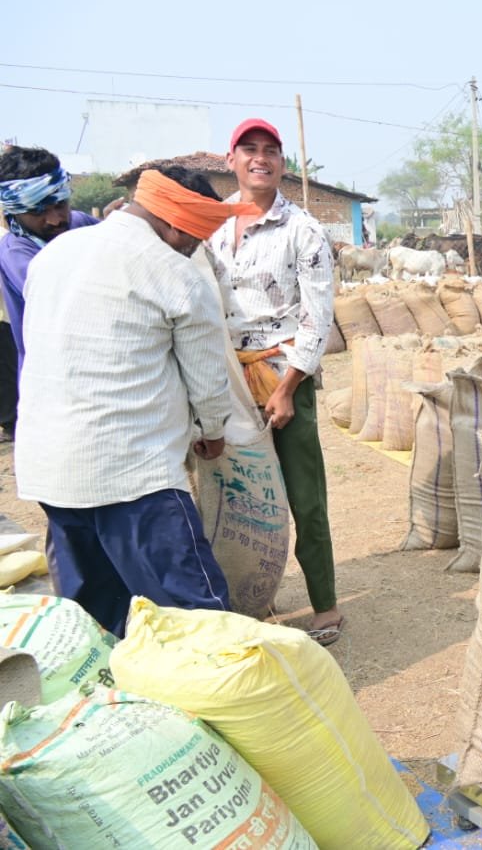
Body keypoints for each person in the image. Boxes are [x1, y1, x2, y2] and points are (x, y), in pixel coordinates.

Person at [15, 167, 257, 636]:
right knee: (191, 615)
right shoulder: (177, 276)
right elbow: (208, 385)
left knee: (93, 614)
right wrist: (211, 433)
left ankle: (115, 697)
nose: (194, 249)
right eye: (195, 239)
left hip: (52, 469)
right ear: (175, 223)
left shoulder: (54, 254)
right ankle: (211, 700)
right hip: (132, 474)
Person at [207, 118, 343, 645]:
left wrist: (287, 388)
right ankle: (252, 594)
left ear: (282, 164)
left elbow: (317, 317)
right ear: (232, 159)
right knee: (237, 494)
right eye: (250, 150)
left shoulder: (302, 230)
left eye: (271, 151)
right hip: (226, 378)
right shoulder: (214, 229)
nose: (260, 158)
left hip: (284, 373)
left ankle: (325, 604)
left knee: (304, 496)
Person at [0, 146, 101, 440]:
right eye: (38, 212)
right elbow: (68, 296)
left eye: (60, 205)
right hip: (52, 388)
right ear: (14, 212)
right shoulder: (15, 253)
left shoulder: (81, 224)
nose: (56, 219)